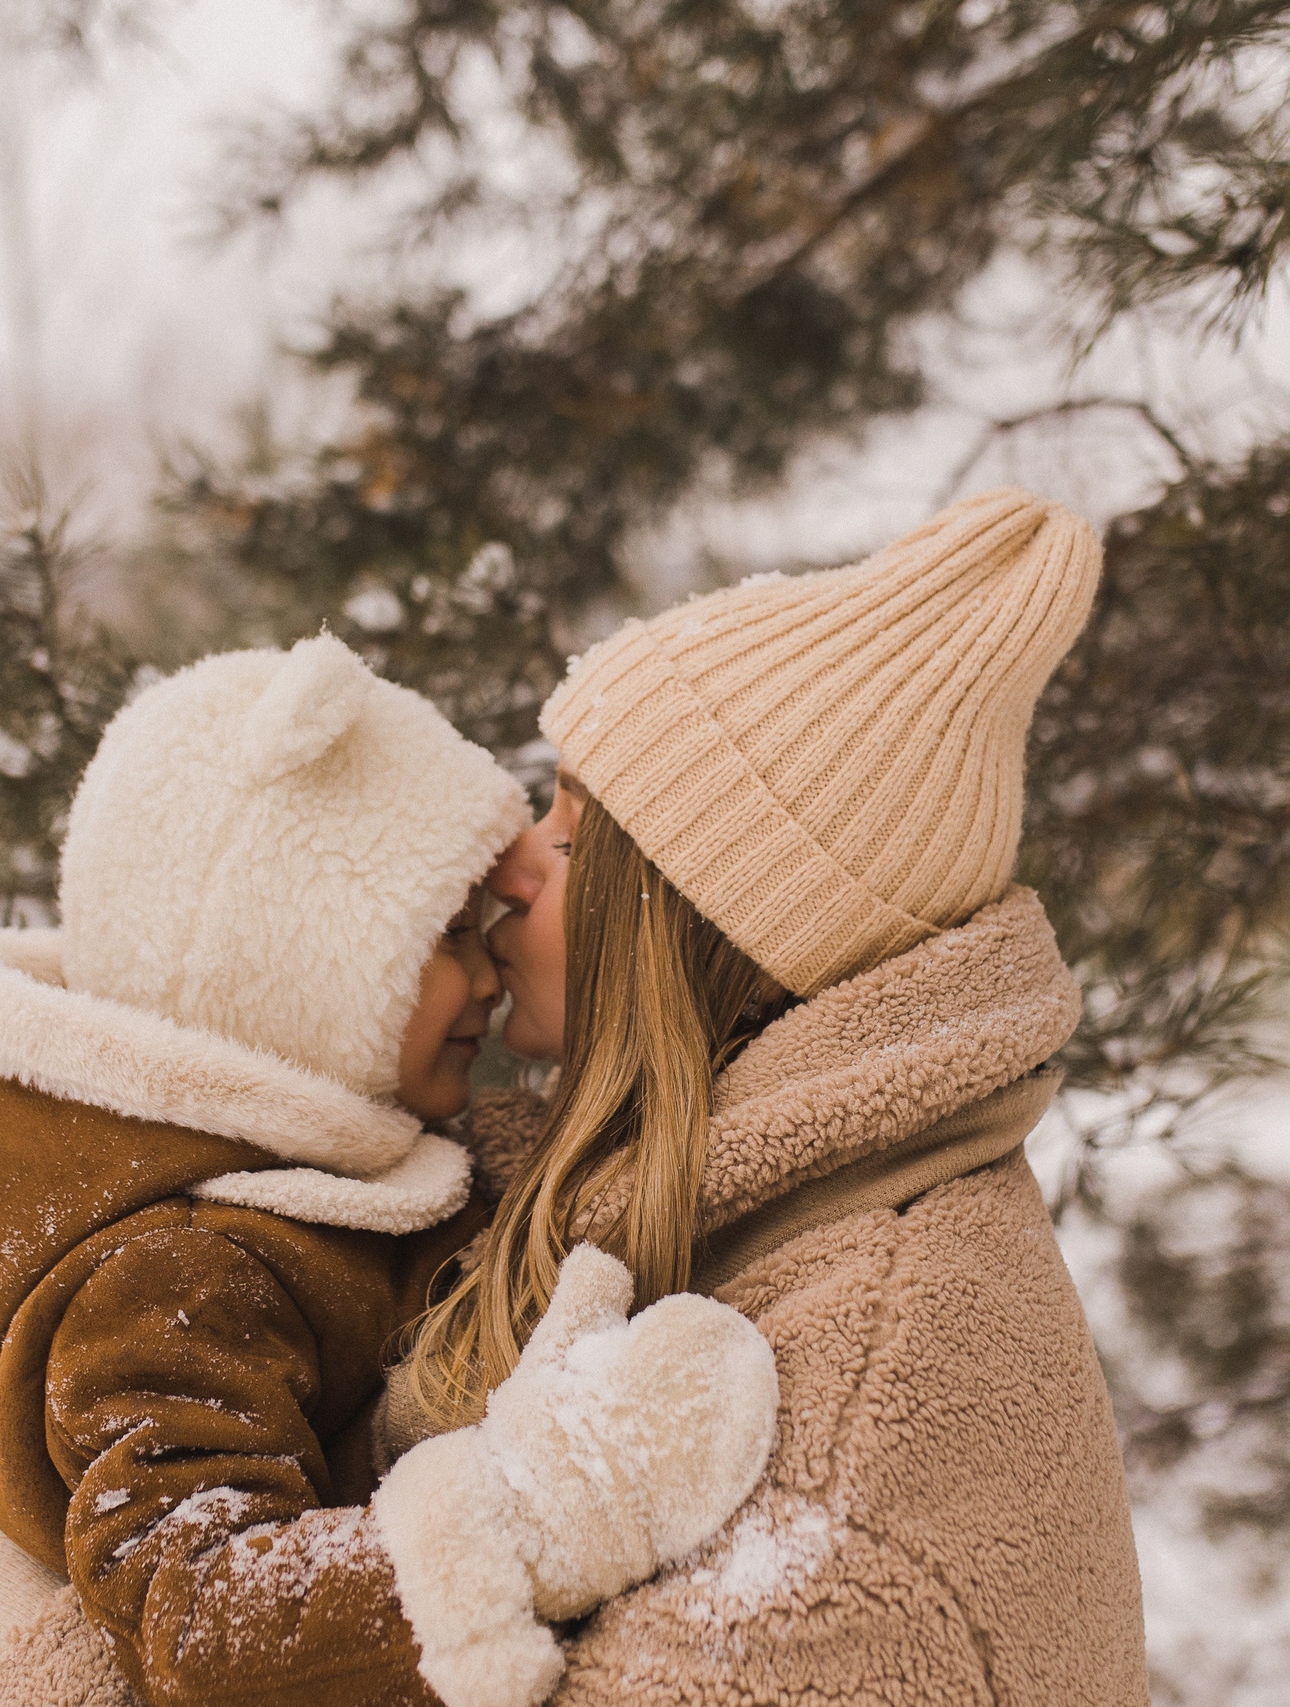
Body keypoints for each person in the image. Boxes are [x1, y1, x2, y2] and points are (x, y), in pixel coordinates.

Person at [383, 486, 1152, 1704]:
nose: (507, 864)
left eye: (576, 840)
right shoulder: (704, 1223)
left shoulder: (859, 1443)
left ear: (707, 935)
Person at [0, 634, 779, 1707]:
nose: (489, 976)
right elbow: (204, 1618)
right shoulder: (180, 1269)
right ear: (300, 967)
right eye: (449, 934)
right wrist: (537, 1511)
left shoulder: (332, 1189)